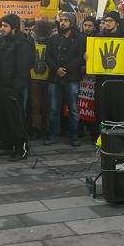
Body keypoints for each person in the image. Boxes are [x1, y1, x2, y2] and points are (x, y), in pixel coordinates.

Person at [0, 13, 34, 160]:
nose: (2, 29)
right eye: (2, 25)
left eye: (5, 26)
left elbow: (23, 69)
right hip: (2, 86)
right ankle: (6, 145)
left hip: (14, 88)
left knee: (16, 120)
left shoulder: (23, 43)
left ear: (14, 28)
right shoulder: (3, 41)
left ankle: (21, 148)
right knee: (2, 118)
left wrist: (15, 89)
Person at [45, 12, 85, 147]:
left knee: (73, 109)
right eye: (61, 20)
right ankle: (53, 135)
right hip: (55, 78)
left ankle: (74, 136)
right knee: (53, 109)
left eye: (66, 20)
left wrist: (65, 69)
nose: (62, 22)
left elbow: (80, 58)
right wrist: (56, 69)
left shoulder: (80, 39)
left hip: (72, 78)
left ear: (72, 23)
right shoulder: (53, 38)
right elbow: (47, 57)